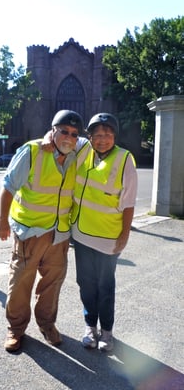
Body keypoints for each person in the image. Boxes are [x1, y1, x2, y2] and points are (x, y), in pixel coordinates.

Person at [0, 110, 84, 352]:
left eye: (74, 134)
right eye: (63, 131)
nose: (69, 137)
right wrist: (2, 220)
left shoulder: (77, 153)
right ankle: (15, 328)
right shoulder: (32, 151)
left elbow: (100, 140)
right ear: (52, 130)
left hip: (59, 233)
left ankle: (47, 324)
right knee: (21, 281)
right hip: (30, 232)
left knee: (52, 283)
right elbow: (8, 186)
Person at [71, 112, 137, 352]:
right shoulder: (82, 151)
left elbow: (128, 203)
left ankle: (107, 332)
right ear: (89, 137)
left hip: (109, 238)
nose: (102, 139)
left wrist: (124, 235)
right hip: (80, 235)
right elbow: (59, 134)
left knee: (105, 286)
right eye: (97, 135)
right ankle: (90, 326)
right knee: (85, 283)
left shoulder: (124, 159)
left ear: (114, 136)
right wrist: (48, 137)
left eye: (108, 134)